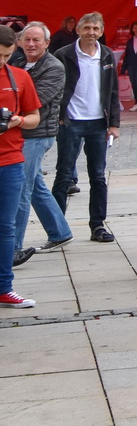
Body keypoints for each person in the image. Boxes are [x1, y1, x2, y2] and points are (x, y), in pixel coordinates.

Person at [52, 12, 120, 243]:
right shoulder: (64, 55)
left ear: (101, 31)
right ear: (78, 30)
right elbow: (55, 87)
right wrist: (59, 116)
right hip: (71, 122)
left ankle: (98, 225)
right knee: (63, 175)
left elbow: (112, 91)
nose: (91, 32)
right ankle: (57, 227)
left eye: (96, 29)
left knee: (98, 177)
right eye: (87, 28)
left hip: (98, 124)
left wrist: (114, 123)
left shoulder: (107, 54)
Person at [10, 23, 70, 267]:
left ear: (46, 43)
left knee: (20, 188)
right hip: (20, 130)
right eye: (27, 39)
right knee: (34, 183)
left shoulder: (54, 67)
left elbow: (35, 100)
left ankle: (12, 248)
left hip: (38, 133)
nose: (31, 44)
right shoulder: (18, 62)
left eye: (36, 40)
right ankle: (60, 232)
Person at [0, 30, 44, 308]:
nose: (2, 61)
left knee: (6, 228)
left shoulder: (19, 76)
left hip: (10, 161)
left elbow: (35, 117)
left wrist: (16, 121)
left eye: (6, 56)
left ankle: (4, 287)